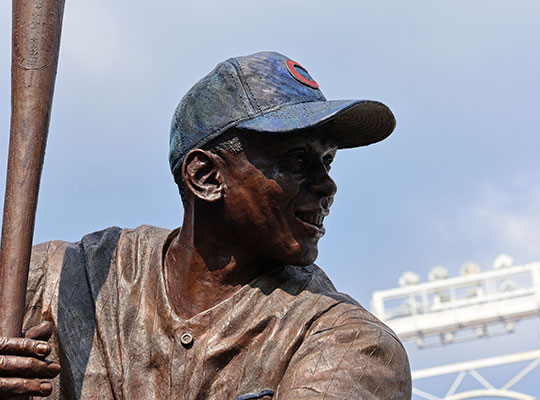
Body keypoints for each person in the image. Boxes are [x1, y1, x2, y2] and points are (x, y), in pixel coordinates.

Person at [0, 51, 411, 399]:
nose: (327, 185)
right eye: (296, 160)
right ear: (206, 177)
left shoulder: (350, 343)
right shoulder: (63, 278)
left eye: (327, 162)